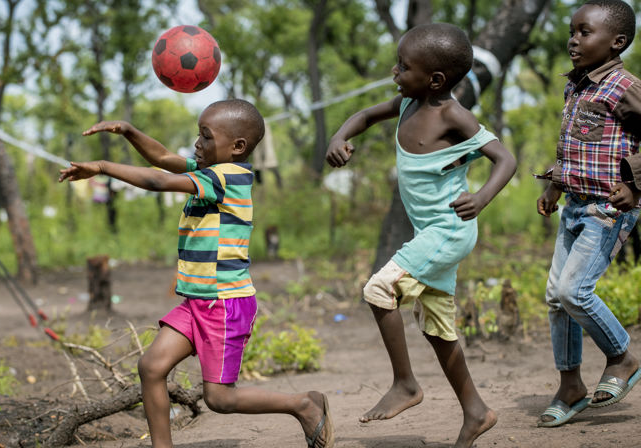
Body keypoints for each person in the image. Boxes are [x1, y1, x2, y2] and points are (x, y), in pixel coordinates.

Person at [59, 99, 334, 448]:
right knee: (152, 367)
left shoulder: (225, 177)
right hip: (198, 302)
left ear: (237, 147)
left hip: (224, 304)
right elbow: (161, 159)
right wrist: (128, 131)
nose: (197, 144)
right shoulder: (210, 170)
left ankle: (303, 404)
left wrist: (102, 166)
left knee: (220, 399)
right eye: (198, 135)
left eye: (205, 136)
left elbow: (158, 180)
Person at [325, 23, 516, 448]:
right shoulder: (407, 104)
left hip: (450, 230)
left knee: (378, 289)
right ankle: (476, 412)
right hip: (432, 232)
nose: (394, 71)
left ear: (434, 79)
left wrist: (482, 197)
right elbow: (365, 115)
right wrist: (340, 136)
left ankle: (405, 384)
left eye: (403, 66)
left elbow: (504, 158)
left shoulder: (453, 115)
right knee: (437, 327)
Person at [535, 0, 641, 428]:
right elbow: (575, 144)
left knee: (574, 292)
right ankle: (570, 385)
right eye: (572, 32)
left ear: (616, 42)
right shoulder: (576, 85)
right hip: (575, 205)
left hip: (607, 208)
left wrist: (635, 185)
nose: (572, 40)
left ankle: (622, 358)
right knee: (556, 299)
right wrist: (556, 183)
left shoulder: (624, 86)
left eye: (584, 32)